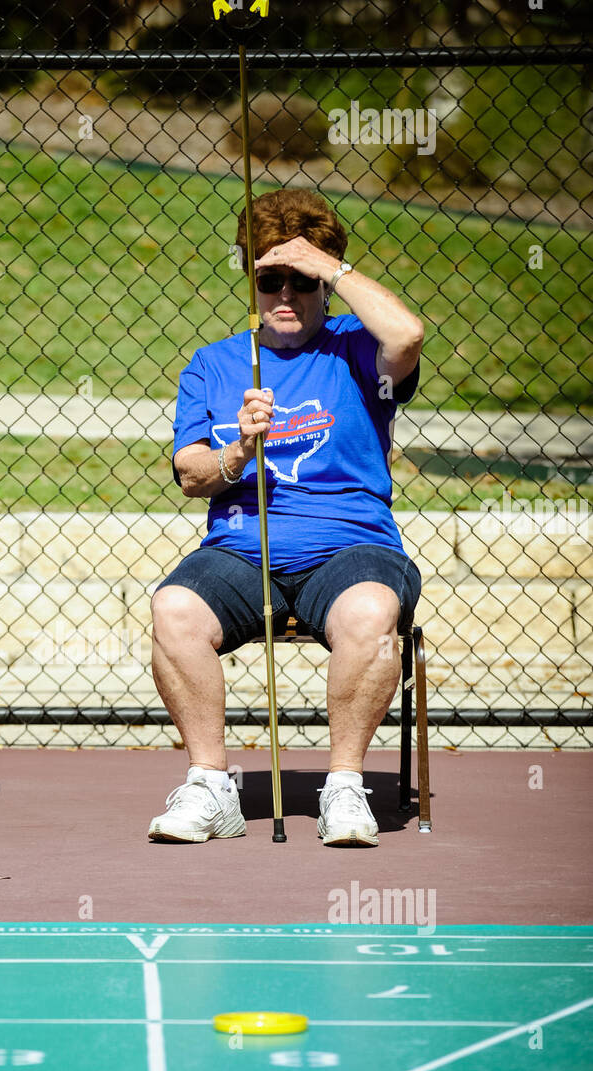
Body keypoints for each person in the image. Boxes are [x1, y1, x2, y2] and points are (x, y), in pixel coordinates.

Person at [149, 189, 424, 847]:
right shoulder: (216, 364)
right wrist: (239, 448)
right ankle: (211, 787)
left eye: (301, 280)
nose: (284, 293)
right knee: (174, 610)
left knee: (368, 614)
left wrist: (330, 264)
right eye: (268, 278)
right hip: (242, 546)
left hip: (351, 544)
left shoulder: (358, 348)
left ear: (324, 282)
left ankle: (346, 788)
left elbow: (408, 334)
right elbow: (191, 476)